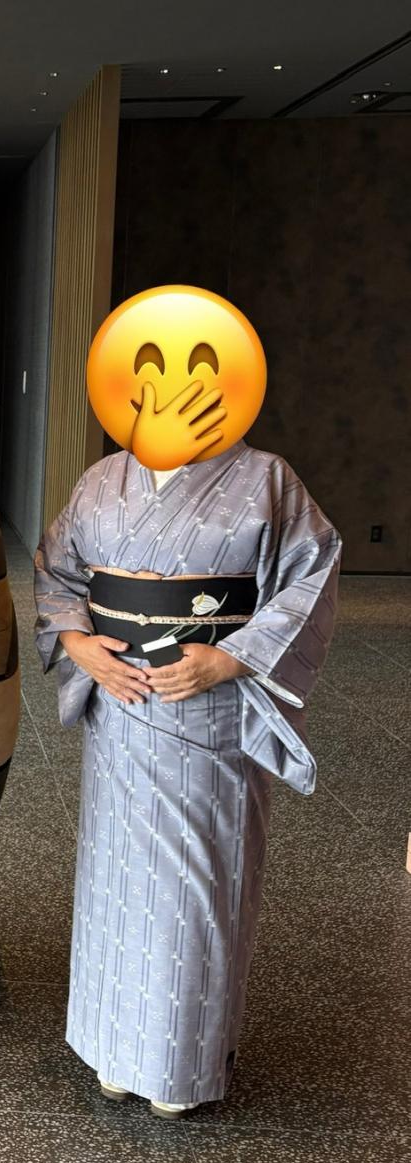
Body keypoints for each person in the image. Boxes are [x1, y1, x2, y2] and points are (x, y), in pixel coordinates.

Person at [35, 439, 341, 1117]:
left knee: (196, 882)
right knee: (115, 880)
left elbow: (312, 573)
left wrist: (230, 660)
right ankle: (111, 1046)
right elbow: (57, 569)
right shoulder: (104, 477)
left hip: (209, 712)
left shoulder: (267, 478)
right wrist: (81, 646)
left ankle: (178, 1064)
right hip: (118, 706)